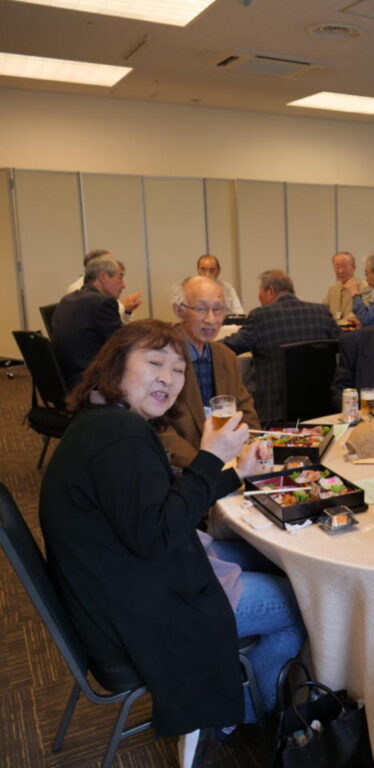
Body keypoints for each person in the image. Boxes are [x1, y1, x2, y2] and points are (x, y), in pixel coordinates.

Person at [38, 320, 305, 767]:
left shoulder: (100, 421)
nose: (168, 377)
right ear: (116, 364)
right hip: (140, 611)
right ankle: (234, 717)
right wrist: (211, 456)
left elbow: (159, 510)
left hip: (114, 586)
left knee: (258, 554)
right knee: (298, 603)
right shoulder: (120, 435)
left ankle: (238, 692)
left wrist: (236, 473)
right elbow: (158, 534)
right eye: (154, 362)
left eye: (178, 369)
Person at [161, 276, 261, 467]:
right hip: (184, 468)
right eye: (201, 309)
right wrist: (205, 466)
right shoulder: (163, 357)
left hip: (229, 462)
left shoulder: (226, 356)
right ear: (179, 310)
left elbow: (245, 409)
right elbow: (160, 427)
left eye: (218, 309)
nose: (211, 319)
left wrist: (251, 447)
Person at [221, 270, 339, 424]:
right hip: (322, 408)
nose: (260, 301)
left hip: (274, 411)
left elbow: (231, 346)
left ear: (270, 291)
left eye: (260, 295)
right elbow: (345, 344)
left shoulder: (261, 316)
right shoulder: (321, 313)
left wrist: (202, 343)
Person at [51, 255, 126, 386]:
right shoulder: (102, 302)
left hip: (66, 377)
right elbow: (122, 344)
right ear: (103, 277)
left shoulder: (67, 300)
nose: (123, 285)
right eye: (120, 277)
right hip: (91, 380)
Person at [65, 248, 143, 323]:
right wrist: (123, 306)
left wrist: (127, 311)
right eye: (109, 262)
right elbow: (94, 319)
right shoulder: (76, 290)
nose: (124, 285)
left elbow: (116, 322)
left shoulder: (106, 290)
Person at [322, 251, 359, 325]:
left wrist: (337, 325)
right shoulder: (333, 289)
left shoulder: (363, 286)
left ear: (354, 268)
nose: (340, 271)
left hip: (352, 329)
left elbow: (359, 314)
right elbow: (323, 309)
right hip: (334, 329)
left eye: (345, 267)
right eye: (337, 267)